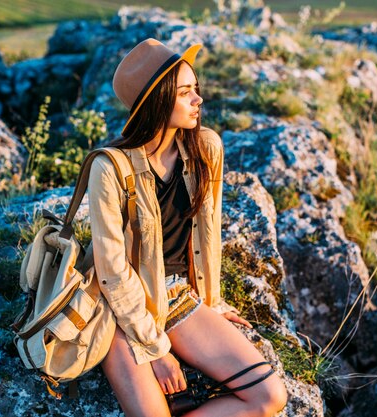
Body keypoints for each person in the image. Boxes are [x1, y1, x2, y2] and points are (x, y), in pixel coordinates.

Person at [87, 38, 288, 417]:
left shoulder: (204, 148)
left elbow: (209, 234)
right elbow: (112, 270)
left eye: (196, 89)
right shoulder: (110, 167)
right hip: (120, 311)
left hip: (178, 298)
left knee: (270, 398)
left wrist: (211, 305)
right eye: (185, 92)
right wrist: (155, 348)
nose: (198, 100)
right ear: (157, 100)